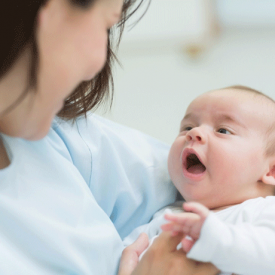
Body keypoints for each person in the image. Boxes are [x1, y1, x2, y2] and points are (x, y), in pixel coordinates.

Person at [0, 0, 219, 274]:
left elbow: (225, 181)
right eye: (106, 24)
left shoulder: (56, 135)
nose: (98, 63)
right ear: (54, 11)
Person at [123, 86, 275, 275]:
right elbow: (125, 256)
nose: (194, 133)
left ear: (272, 171)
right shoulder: (166, 216)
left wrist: (217, 240)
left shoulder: (264, 210)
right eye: (187, 127)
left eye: (223, 130)